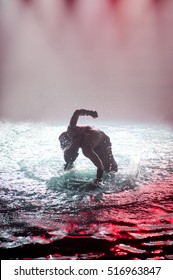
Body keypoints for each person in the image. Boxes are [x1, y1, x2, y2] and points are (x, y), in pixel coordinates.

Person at [59, 109, 118, 184]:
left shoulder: (86, 149)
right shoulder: (71, 130)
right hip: (93, 137)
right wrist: (90, 113)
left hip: (102, 141)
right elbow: (77, 112)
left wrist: (98, 180)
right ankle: (69, 163)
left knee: (110, 168)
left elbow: (100, 167)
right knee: (107, 166)